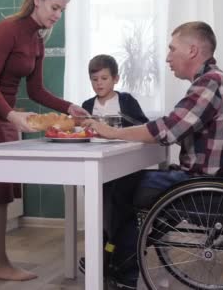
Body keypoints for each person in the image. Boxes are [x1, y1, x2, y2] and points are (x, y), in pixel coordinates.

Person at [83, 21, 223, 289]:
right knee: (130, 186)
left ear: (193, 50)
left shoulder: (210, 83)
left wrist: (110, 132)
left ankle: (120, 268)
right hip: (220, 177)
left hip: (204, 183)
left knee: (122, 186)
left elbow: (168, 129)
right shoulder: (213, 81)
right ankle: (121, 256)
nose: (167, 57)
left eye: (172, 49)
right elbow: (174, 123)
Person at [0, 0, 89, 282]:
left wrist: (69, 106)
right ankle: (1, 264)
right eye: (54, 7)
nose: (57, 14)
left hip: (6, 115)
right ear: (38, 0)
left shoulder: (37, 40)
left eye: (62, 10)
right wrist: (10, 115)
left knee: (0, 187)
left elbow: (36, 90)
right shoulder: (8, 30)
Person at [77, 54, 148, 278]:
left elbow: (142, 126)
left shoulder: (126, 101)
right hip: (96, 163)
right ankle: (101, 257)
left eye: (104, 78)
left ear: (115, 79)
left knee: (119, 211)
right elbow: (81, 133)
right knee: (98, 212)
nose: (99, 83)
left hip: (123, 166)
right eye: (94, 79)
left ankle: (118, 258)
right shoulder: (87, 105)